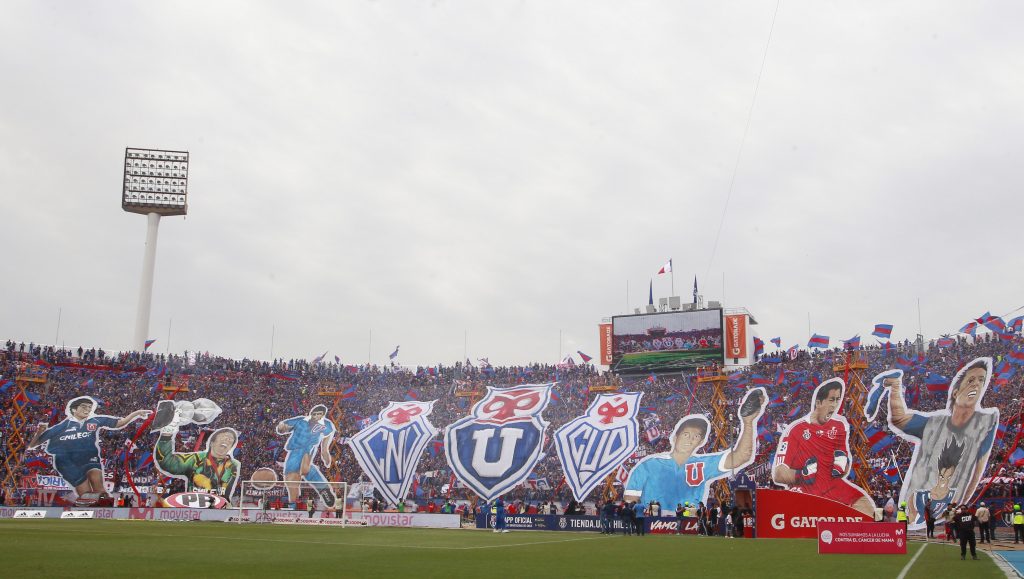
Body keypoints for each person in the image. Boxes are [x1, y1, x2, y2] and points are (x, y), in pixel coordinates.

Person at [882, 360, 999, 529]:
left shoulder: (986, 424)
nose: (976, 384)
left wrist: (962, 504)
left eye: (981, 380)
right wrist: (895, 388)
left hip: (951, 507)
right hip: (916, 509)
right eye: (971, 380)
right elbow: (899, 419)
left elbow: (976, 473)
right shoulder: (933, 423)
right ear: (955, 392)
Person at [625, 389, 766, 508]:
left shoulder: (703, 465)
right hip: (654, 524)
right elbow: (630, 500)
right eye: (686, 434)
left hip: (690, 522)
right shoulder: (648, 466)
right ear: (675, 437)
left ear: (700, 442)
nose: (691, 439)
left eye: (696, 436)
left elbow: (742, 456)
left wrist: (748, 423)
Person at [772, 379, 875, 516]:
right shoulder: (796, 430)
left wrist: (843, 465)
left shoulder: (838, 427)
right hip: (806, 489)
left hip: (833, 486)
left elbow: (842, 469)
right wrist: (800, 474)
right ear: (819, 403)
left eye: (837, 400)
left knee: (868, 511)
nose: (835, 405)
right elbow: (779, 474)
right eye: (831, 400)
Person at [27, 396, 151, 501]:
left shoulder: (95, 420)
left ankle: (106, 510)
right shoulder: (62, 426)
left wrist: (136, 414)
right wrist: (39, 432)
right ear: (74, 409)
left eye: (89, 407)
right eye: (84, 406)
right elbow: (33, 444)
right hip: (68, 463)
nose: (87, 409)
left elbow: (121, 422)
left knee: (100, 489)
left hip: (90, 457)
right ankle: (88, 513)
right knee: (86, 495)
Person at [276, 405, 338, 507]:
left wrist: (325, 452)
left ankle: (320, 490)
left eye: (319, 414)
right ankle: (321, 488)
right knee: (292, 477)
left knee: (301, 470)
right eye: (315, 414)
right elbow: (283, 428)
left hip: (308, 449)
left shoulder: (326, 425)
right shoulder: (300, 420)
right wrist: (281, 427)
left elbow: (327, 438)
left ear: (322, 415)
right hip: (294, 449)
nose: (316, 416)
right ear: (311, 413)